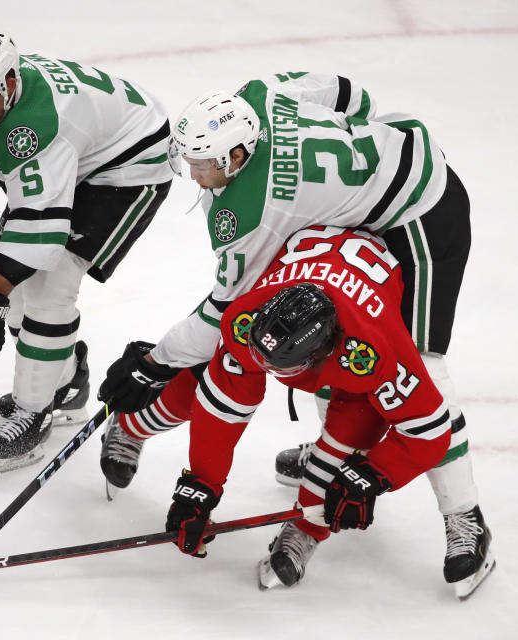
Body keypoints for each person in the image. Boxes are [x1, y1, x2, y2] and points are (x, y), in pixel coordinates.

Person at [97, 72, 492, 598]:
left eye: (202, 166)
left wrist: (155, 363)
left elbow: (217, 316)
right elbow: (350, 94)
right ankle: (325, 459)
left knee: (425, 372)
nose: (193, 177)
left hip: (419, 213)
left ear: (236, 156)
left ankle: (465, 518)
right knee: (285, 345)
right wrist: (201, 481)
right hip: (382, 176)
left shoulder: (255, 219)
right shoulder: (255, 98)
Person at [0, 27, 173, 474]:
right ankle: (66, 381)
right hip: (77, 152)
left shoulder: (38, 125)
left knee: (49, 284)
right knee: (15, 292)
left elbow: (38, 235)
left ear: (9, 83)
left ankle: (33, 412)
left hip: (128, 166)